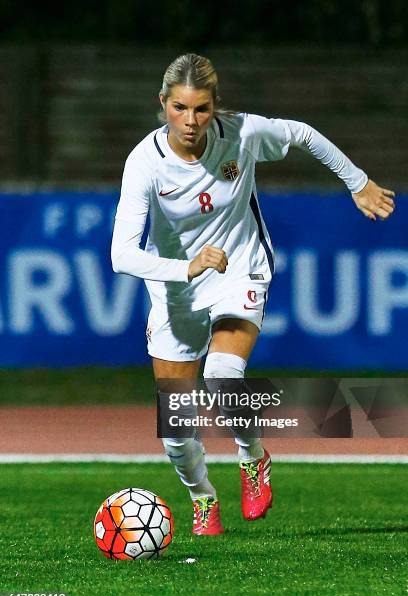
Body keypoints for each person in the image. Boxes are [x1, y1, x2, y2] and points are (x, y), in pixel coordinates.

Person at [111, 53, 395, 536]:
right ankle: (203, 499)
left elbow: (302, 133)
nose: (191, 121)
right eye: (179, 108)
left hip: (239, 268)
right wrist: (186, 266)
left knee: (223, 373)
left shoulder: (241, 134)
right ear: (163, 104)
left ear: (215, 107)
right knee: (176, 424)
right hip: (176, 292)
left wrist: (358, 181)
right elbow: (121, 256)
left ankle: (252, 456)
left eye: (201, 109)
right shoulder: (144, 164)